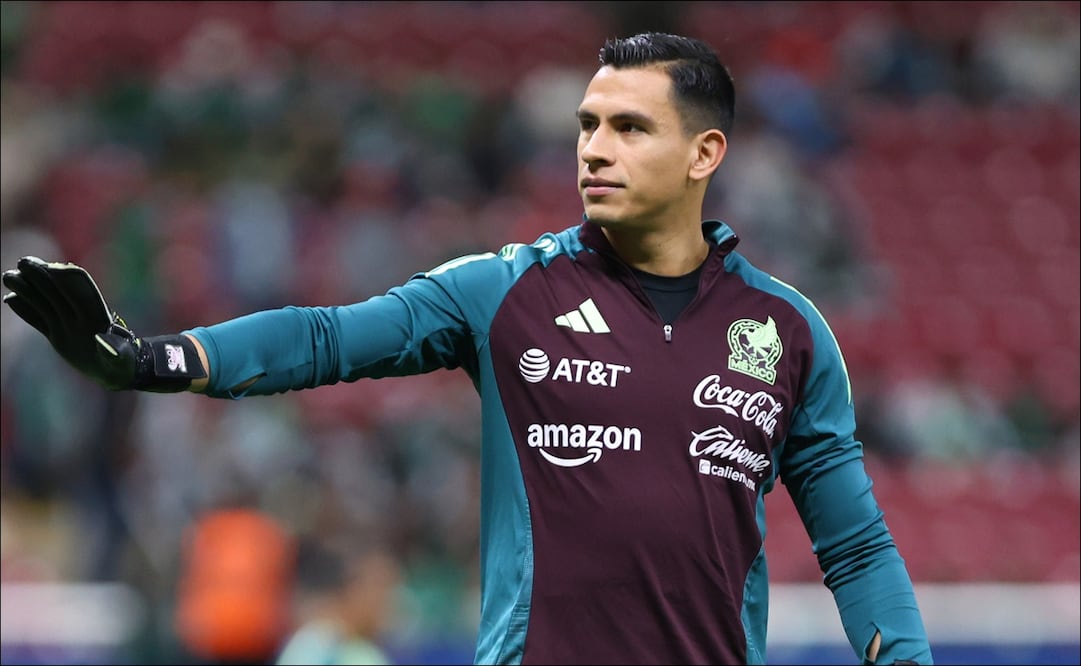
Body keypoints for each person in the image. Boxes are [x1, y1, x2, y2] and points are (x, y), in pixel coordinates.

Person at [2, 32, 932, 666]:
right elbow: (329, 337)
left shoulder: (789, 333)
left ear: (704, 155)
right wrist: (148, 360)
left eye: (629, 127)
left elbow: (854, 549)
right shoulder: (505, 291)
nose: (594, 149)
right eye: (586, 126)